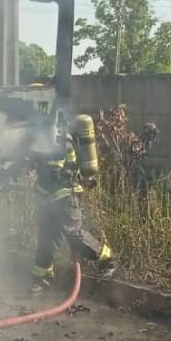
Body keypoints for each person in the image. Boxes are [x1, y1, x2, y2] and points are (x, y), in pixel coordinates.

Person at [29, 114, 117, 292]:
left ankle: (107, 259)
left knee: (73, 233)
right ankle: (42, 276)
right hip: (48, 199)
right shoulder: (43, 140)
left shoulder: (60, 143)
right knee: (46, 238)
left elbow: (53, 171)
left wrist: (33, 160)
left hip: (65, 197)